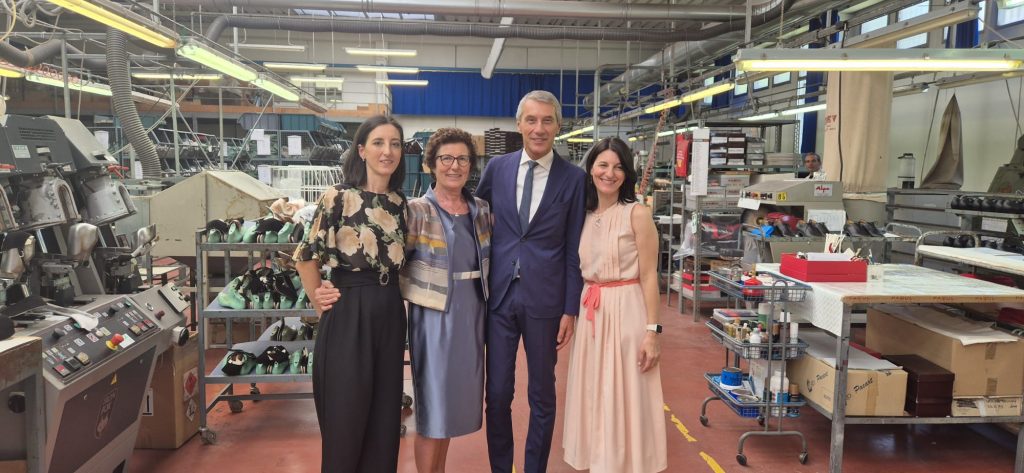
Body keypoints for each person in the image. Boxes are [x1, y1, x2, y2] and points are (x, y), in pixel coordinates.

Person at [475, 90, 586, 473]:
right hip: (499, 299)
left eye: (547, 120)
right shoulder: (497, 169)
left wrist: (570, 309)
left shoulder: (574, 179)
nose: (539, 128)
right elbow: (474, 219)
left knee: (542, 395)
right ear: (519, 124)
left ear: (558, 126)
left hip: (546, 302)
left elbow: (573, 249)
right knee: (497, 394)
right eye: (532, 120)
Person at [295, 115, 408, 473]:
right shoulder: (338, 197)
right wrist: (319, 298)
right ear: (361, 150)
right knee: (346, 417)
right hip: (349, 310)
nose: (387, 151)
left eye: (394, 144)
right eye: (378, 143)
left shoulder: (400, 203)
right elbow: (305, 257)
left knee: (384, 420)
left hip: (390, 312)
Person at [562, 137, 667, 473]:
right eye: (603, 165)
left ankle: (627, 463)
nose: (610, 173)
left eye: (618, 167)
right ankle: (598, 460)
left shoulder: (637, 214)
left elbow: (649, 276)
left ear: (627, 173)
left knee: (625, 390)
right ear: (590, 169)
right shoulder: (581, 215)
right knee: (594, 388)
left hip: (627, 310)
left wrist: (652, 332)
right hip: (591, 310)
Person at [400, 128, 492, 473]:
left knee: (451, 406)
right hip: (434, 315)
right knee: (433, 407)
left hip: (472, 313)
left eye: (462, 159)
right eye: (447, 159)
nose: (455, 166)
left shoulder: (480, 209)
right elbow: (394, 262)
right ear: (431, 164)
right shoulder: (416, 211)